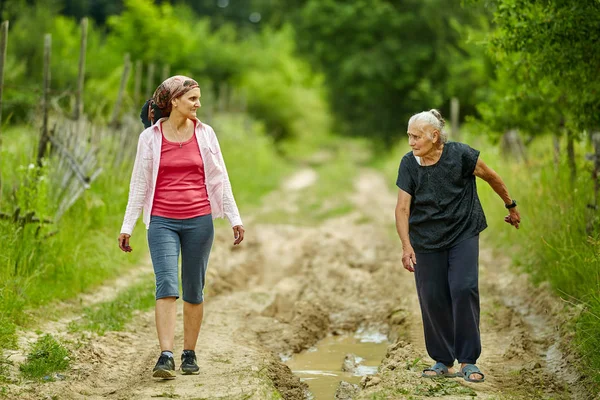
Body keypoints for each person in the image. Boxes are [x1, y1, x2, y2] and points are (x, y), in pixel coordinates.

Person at [118, 75, 245, 379]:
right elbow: (139, 183)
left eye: (199, 99)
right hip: (161, 221)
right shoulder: (149, 138)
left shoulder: (206, 134)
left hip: (199, 221)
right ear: (174, 101)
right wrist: (127, 225)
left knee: (193, 289)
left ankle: (189, 352)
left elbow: (220, 177)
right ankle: (166, 355)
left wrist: (234, 217)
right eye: (193, 99)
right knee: (166, 284)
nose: (198, 104)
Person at [394, 109, 520, 383]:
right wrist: (406, 246)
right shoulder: (409, 164)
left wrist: (510, 205)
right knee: (433, 297)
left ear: (434, 135)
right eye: (409, 137)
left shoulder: (461, 155)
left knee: (464, 288)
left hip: (463, 231)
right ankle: (442, 360)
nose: (411, 142)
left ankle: (468, 360)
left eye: (416, 137)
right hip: (426, 239)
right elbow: (402, 209)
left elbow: (492, 176)